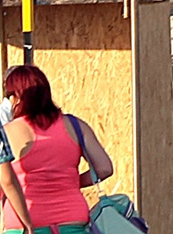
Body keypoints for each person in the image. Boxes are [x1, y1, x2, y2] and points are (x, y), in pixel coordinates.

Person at [1, 65, 113, 234]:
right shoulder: (76, 126)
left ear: (16, 97)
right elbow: (105, 168)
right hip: (72, 220)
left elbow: (6, 181)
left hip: (25, 224)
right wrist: (71, 182)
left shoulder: (8, 132)